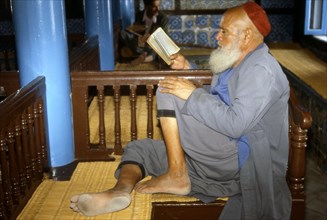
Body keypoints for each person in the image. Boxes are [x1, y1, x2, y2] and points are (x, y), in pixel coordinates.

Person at [70, 2, 292, 219]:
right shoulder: (239, 60)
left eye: (224, 32)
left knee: (169, 91)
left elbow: (235, 124)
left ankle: (177, 175)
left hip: (240, 158)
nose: (218, 37)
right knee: (141, 149)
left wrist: (191, 94)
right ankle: (120, 191)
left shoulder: (260, 69)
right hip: (220, 146)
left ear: (246, 36)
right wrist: (189, 69)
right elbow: (220, 97)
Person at [119, 0, 168, 65]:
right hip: (139, 44)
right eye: (154, 7)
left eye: (158, 6)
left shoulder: (162, 18)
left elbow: (164, 38)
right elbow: (135, 32)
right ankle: (142, 54)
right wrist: (139, 39)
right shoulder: (139, 15)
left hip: (152, 46)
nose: (157, 9)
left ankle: (143, 59)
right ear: (146, 6)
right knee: (123, 34)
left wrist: (150, 38)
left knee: (155, 51)